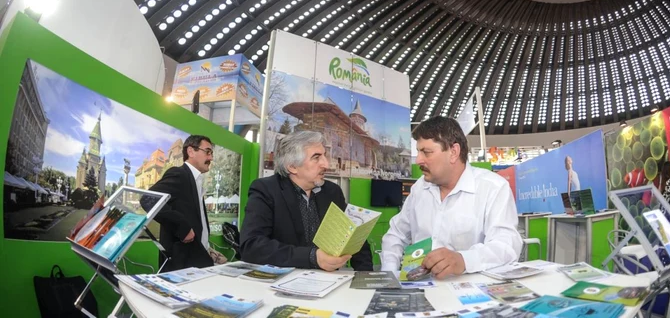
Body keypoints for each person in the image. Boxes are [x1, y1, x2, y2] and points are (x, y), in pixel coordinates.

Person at [381, 116, 521, 278]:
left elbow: (506, 245)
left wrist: (464, 260)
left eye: (426, 152)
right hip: (422, 289)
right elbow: (396, 235)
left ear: (453, 152)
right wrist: (389, 274)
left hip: (470, 294)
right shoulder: (420, 188)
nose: (418, 160)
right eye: (418, 152)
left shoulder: (493, 188)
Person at [240, 131, 373, 271]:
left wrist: (366, 278)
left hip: (330, 282)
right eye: (316, 157)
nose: (326, 164)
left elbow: (354, 238)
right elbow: (251, 247)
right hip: (281, 282)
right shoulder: (266, 190)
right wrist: (312, 257)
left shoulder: (332, 192)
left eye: (324, 156)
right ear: (292, 166)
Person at [141, 135, 223, 271]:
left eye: (211, 153)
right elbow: (148, 199)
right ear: (191, 151)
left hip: (197, 259)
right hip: (181, 264)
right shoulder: (179, 174)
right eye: (207, 152)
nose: (211, 158)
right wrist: (181, 227)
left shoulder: (197, 181)